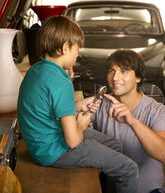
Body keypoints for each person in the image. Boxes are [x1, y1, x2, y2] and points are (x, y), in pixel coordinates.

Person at [17, 16, 139, 193]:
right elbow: (73, 141)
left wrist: (78, 105)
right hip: (54, 152)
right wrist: (80, 125)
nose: (77, 54)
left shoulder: (35, 70)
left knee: (116, 146)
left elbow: (45, 106)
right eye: (76, 49)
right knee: (129, 169)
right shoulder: (61, 82)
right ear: (65, 47)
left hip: (39, 145)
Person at [92, 49, 165, 193]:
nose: (115, 78)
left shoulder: (157, 110)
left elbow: (163, 153)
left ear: (138, 77)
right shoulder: (99, 105)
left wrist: (132, 121)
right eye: (111, 71)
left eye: (124, 71)